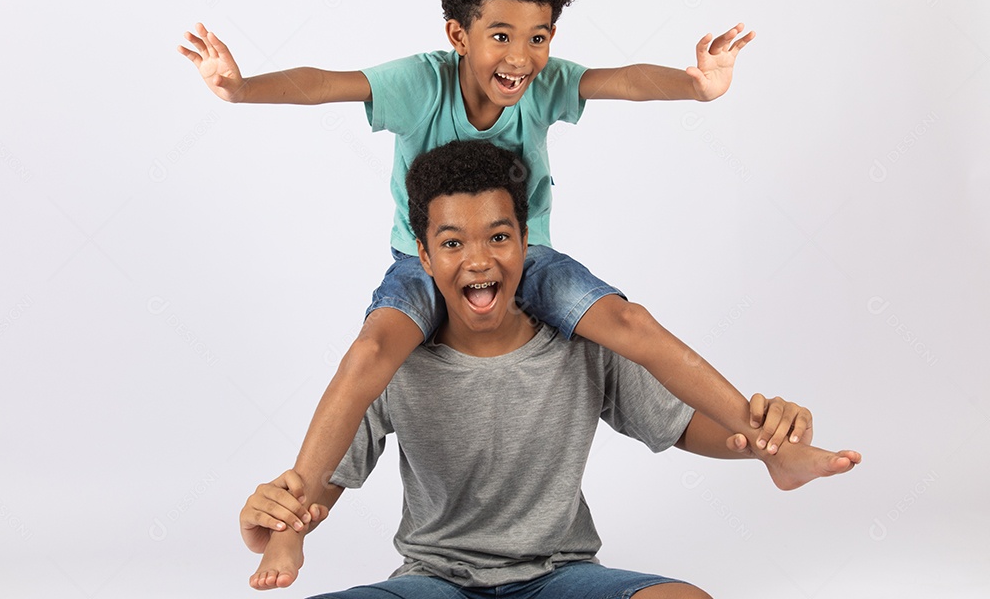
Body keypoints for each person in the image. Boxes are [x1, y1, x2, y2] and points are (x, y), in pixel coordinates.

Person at [178, 0, 776, 586]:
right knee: (372, 349)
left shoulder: (544, 85)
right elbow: (326, 84)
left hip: (533, 260)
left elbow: (621, 80)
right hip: (420, 264)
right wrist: (241, 89)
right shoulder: (420, 83)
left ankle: (768, 439)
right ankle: (288, 530)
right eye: (501, 35)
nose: (521, 58)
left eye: (540, 36)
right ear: (458, 35)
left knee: (628, 320)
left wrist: (694, 86)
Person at [243, 140, 862, 596]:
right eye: (453, 243)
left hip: (558, 577)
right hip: (434, 580)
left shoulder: (579, 343)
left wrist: (762, 443)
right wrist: (271, 522)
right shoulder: (399, 361)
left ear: (525, 243)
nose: (479, 260)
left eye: (499, 237)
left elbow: (677, 423)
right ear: (424, 257)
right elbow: (320, 484)